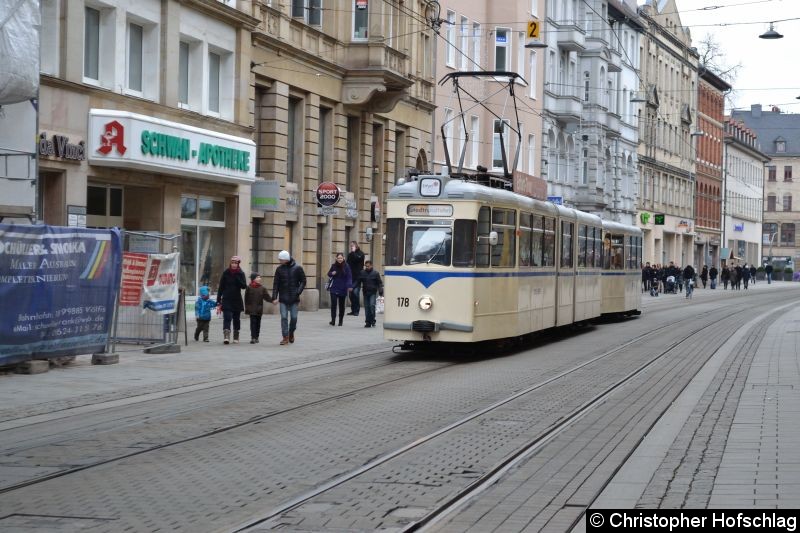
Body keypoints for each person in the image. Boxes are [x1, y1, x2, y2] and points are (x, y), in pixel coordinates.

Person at [272, 250, 306, 345]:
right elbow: (276, 284)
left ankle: (291, 332)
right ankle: (285, 337)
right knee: (283, 317)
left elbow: (303, 281)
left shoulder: (298, 268)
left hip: (294, 298)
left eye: (281, 259)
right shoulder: (279, 269)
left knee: (294, 318)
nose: (280, 261)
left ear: (286, 259)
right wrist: (274, 297)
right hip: (283, 297)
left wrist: (298, 292)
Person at [217, 255, 247, 344]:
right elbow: (221, 286)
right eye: (232, 263)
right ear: (230, 263)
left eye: (236, 263)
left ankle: (236, 335)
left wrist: (237, 277)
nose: (234, 265)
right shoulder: (226, 272)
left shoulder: (241, 273)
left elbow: (244, 286)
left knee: (236, 318)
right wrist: (218, 299)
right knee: (227, 317)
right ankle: (226, 336)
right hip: (226, 299)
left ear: (238, 264)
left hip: (236, 299)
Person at [354, 260, 383, 327]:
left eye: (368, 266)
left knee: (372, 306)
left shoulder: (375, 273)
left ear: (371, 266)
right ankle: (368, 322)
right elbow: (358, 281)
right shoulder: (362, 273)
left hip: (373, 292)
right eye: (366, 266)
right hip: (365, 292)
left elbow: (379, 283)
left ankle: (373, 320)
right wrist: (352, 287)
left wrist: (380, 290)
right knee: (367, 308)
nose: (367, 267)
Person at [244, 273, 272, 344]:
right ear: (253, 279)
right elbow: (246, 299)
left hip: (259, 309)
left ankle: (256, 337)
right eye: (257, 277)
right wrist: (247, 307)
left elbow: (267, 297)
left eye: (260, 277)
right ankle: (253, 337)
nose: (259, 278)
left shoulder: (262, 288)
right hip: (251, 309)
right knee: (253, 323)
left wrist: (273, 300)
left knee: (258, 323)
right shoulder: (249, 287)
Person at [327, 253, 353, 326]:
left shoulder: (347, 266)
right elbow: (328, 274)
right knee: (333, 304)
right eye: (338, 258)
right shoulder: (333, 266)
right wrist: (332, 273)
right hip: (334, 287)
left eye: (341, 258)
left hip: (343, 288)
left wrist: (349, 286)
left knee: (341, 305)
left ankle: (340, 321)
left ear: (343, 258)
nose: (340, 259)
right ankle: (333, 320)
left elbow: (349, 277)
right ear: (336, 258)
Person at [346, 241, 365, 316]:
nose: (351, 247)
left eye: (352, 246)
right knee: (351, 295)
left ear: (356, 246)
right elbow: (347, 264)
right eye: (351, 246)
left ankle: (357, 310)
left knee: (355, 293)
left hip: (358, 277)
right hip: (351, 277)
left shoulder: (361, 253)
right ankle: (353, 310)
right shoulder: (350, 254)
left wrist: (353, 252)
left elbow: (357, 259)